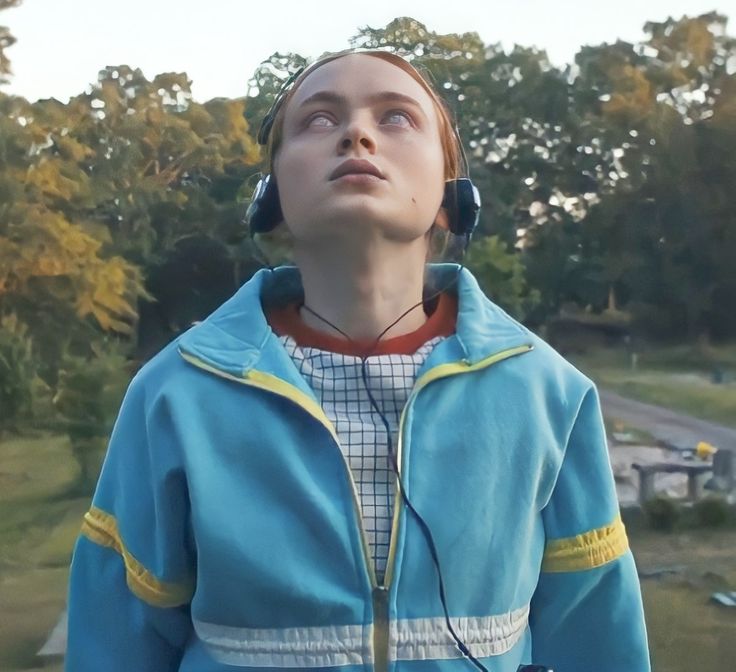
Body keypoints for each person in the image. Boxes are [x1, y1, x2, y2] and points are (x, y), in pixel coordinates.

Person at [65, 48, 651, 672]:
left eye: (397, 117)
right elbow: (116, 637)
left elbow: (597, 631)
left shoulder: (549, 394)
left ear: (453, 197)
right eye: (318, 120)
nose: (357, 133)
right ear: (273, 197)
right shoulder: (173, 396)